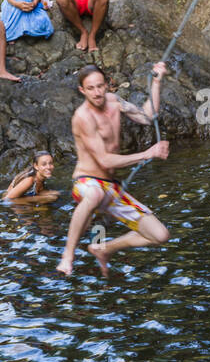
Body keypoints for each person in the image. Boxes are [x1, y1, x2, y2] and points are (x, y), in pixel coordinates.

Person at [56, 62, 171, 277]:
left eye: (100, 86)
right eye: (90, 88)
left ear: (108, 85)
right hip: (86, 183)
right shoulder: (83, 117)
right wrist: (148, 153)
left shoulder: (114, 101)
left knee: (160, 235)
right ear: (82, 90)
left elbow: (147, 117)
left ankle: (105, 249)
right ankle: (67, 257)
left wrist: (156, 82)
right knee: (95, 193)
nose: (97, 93)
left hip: (112, 188)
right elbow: (105, 160)